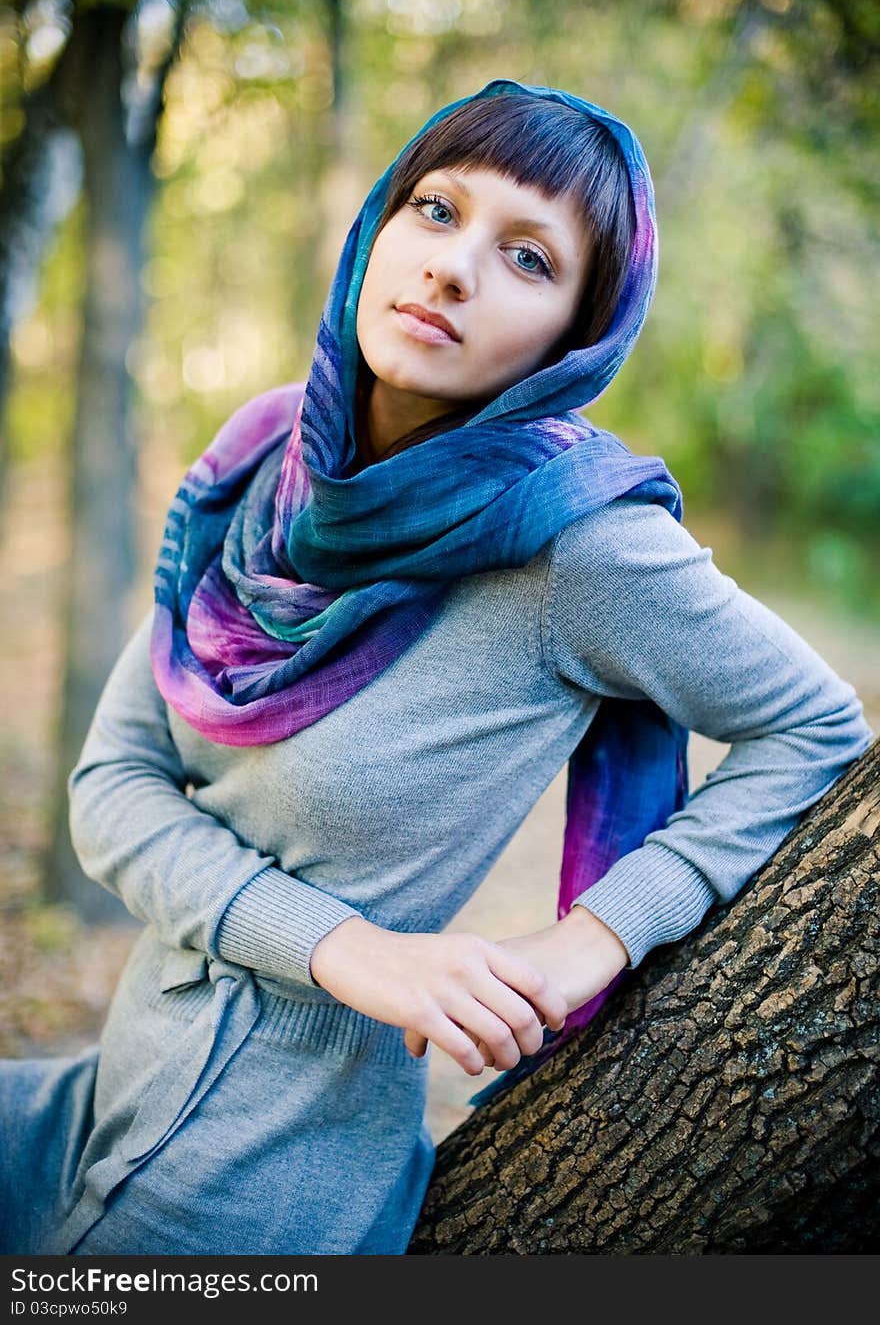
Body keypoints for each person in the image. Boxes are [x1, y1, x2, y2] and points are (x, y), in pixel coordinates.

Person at [0, 79, 872, 1257]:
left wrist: (588, 941)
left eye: (526, 258)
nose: (453, 267)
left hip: (258, 1185)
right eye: (434, 208)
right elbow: (113, 788)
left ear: (577, 333)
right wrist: (348, 950)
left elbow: (817, 731)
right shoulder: (264, 465)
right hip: (99, 1096)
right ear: (375, 229)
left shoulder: (580, 542)